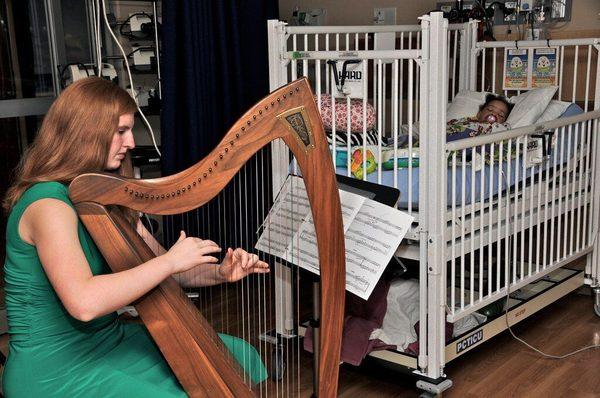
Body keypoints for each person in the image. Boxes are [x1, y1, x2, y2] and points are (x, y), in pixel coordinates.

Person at [2, 77, 269, 397]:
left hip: (109, 342)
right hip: (54, 369)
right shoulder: (48, 205)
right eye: (120, 132)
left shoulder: (104, 195)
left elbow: (164, 270)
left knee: (239, 356)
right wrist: (170, 262)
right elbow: (84, 303)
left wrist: (220, 272)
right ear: (85, 134)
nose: (130, 143)